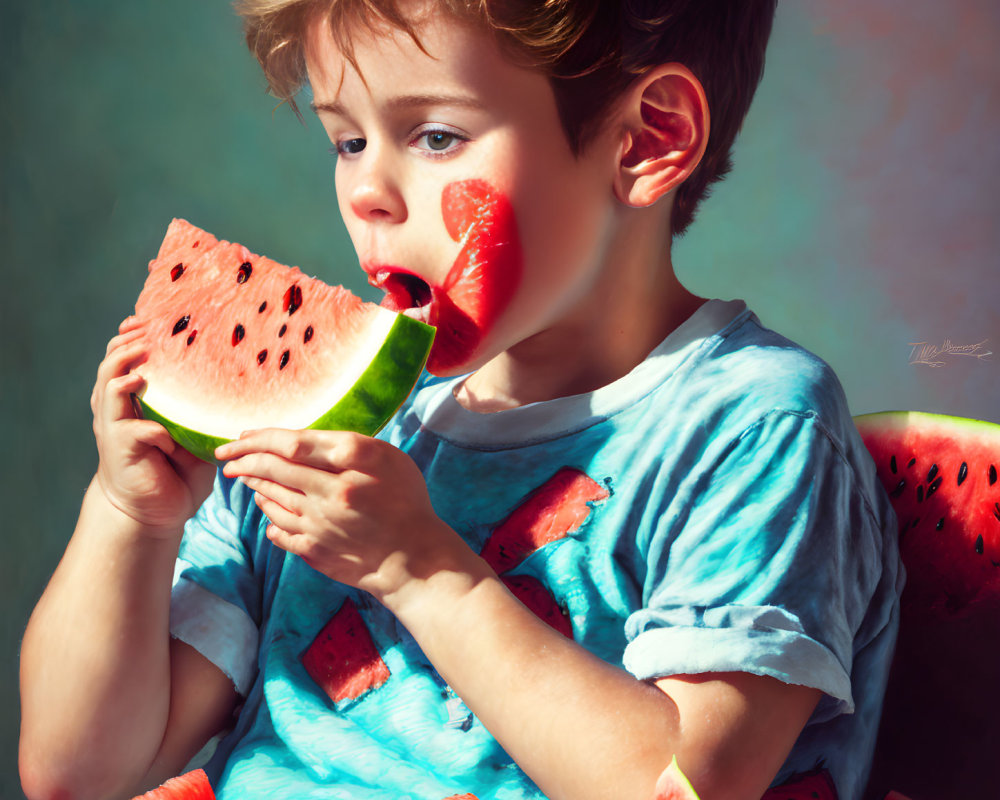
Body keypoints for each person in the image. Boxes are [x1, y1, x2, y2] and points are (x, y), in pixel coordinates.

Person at [19, 1, 903, 799]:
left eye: (436, 136)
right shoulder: (328, 431)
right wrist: (128, 515)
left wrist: (423, 572)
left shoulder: (752, 424)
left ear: (645, 140)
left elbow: (680, 789)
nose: (366, 192)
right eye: (347, 140)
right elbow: (78, 771)